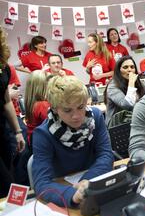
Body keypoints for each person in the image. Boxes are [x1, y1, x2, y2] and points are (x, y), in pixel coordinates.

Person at [32, 75, 113, 207]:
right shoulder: (43, 134)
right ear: (55, 109)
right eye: (67, 110)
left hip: (93, 186)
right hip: (64, 191)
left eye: (81, 107)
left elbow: (106, 155)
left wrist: (86, 181)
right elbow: (41, 183)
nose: (76, 116)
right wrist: (72, 195)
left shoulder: (97, 117)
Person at [0, 26, 25, 197]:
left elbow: (6, 101)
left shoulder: (4, 67)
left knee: (9, 176)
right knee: (5, 183)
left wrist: (17, 131)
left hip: (2, 132)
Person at [104, 55, 145, 127]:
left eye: (132, 67)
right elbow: (127, 105)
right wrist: (131, 84)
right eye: (125, 67)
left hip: (135, 122)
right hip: (117, 127)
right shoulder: (112, 86)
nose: (130, 70)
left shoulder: (137, 82)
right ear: (118, 70)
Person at [24, 70, 49, 145]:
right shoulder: (42, 105)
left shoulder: (33, 102)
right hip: (41, 141)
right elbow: (54, 124)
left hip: (33, 139)